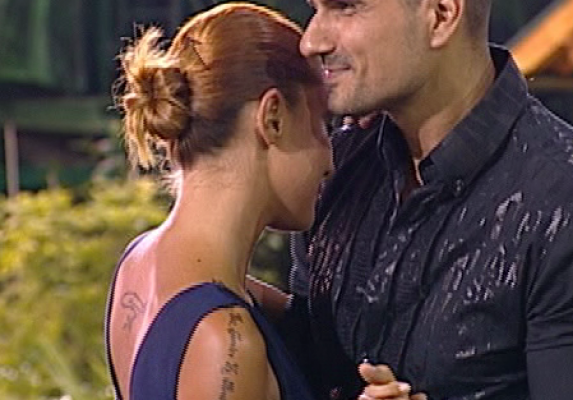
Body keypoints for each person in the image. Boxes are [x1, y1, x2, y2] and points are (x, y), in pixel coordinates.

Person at [249, 0, 573, 398]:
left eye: (345, 6)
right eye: (316, 8)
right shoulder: (338, 170)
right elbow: (310, 357)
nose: (312, 41)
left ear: (441, 14)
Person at [103, 3, 421, 399]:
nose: (330, 160)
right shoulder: (224, 342)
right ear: (272, 119)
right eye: (320, 126)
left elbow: (312, 326)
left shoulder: (138, 263)